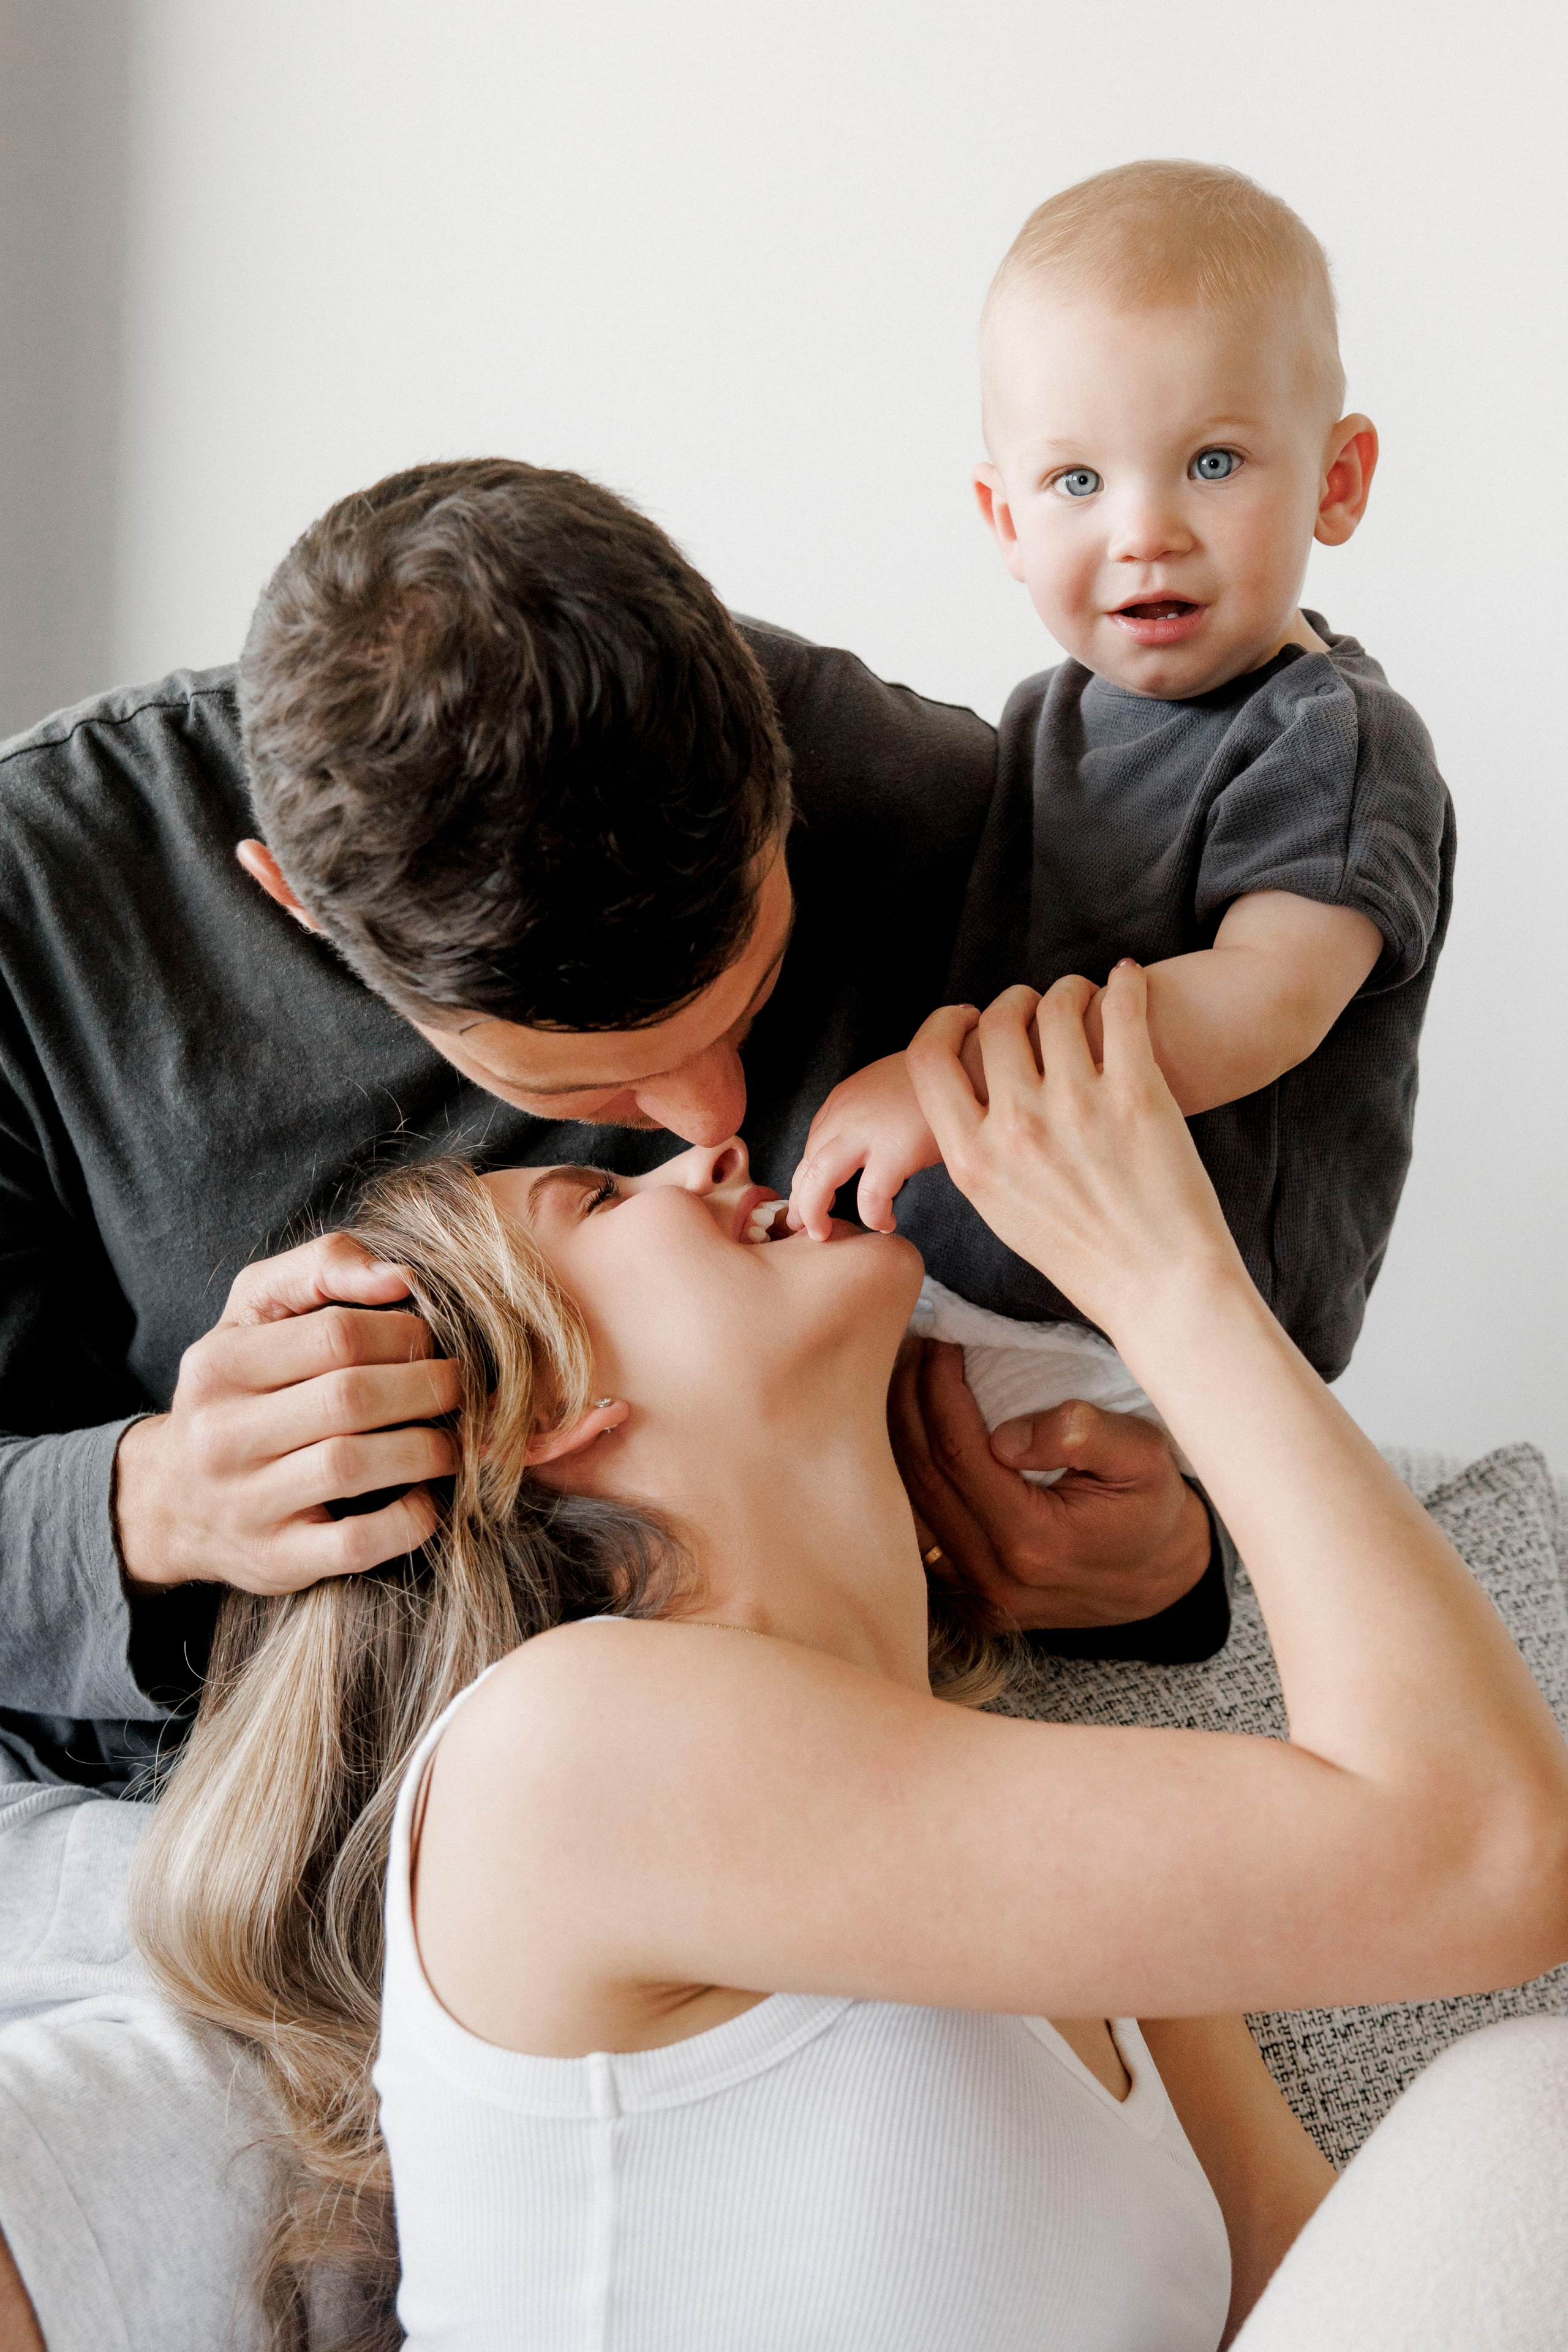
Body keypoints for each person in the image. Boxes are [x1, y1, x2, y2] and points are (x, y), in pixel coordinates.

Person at [0, 459, 1220, 2351]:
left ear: (769, 755)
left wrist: (1167, 1561)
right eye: (592, 1111)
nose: (719, 1121)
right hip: (168, 1852)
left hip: (788, 1788)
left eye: (751, 994)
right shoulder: (38, 910)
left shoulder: (940, 816)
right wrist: (149, 1503)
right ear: (299, 908)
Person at [116, 967, 1568, 2350]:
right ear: (538, 1406)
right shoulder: (562, 1749)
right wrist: (1161, 1268)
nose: (705, 1154)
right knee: (1527, 2112)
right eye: (600, 1196)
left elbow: (1333, 2283)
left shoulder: (1038, 1833)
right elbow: (1488, 1858)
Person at [790, 162, 1454, 1430]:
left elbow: (1261, 1003)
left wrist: (941, 1088)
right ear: (1005, 520)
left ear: (1336, 481)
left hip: (1158, 1339)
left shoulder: (1329, 738)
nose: (1144, 532)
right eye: (1078, 483)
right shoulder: (1047, 712)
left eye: (1212, 461)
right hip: (987, 1278)